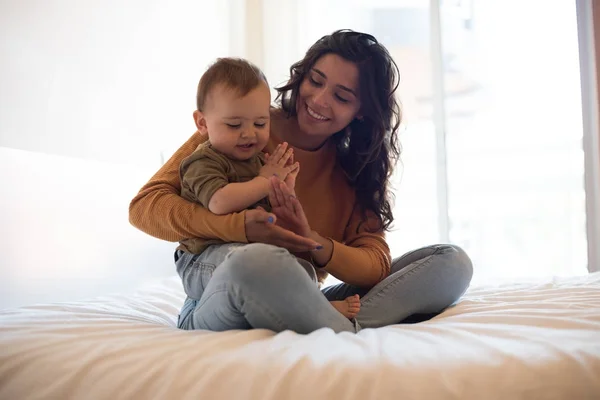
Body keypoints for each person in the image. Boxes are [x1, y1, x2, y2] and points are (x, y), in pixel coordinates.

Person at [129, 29, 473, 334]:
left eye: (342, 96)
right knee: (256, 260)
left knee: (450, 263)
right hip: (232, 284)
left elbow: (375, 264)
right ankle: (342, 326)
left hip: (298, 291)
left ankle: (333, 322)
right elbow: (145, 207)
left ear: (362, 111)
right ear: (301, 76)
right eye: (316, 80)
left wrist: (310, 241)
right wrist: (239, 228)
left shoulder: (352, 170)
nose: (320, 100)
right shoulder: (242, 128)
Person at [177, 57, 361, 319]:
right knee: (250, 261)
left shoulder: (259, 161)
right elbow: (219, 202)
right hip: (202, 261)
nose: (249, 133)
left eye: (260, 124)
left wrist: (283, 190)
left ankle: (304, 303)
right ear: (202, 124)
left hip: (247, 256)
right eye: (234, 125)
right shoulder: (202, 160)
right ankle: (316, 310)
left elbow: (269, 212)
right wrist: (265, 182)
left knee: (300, 269)